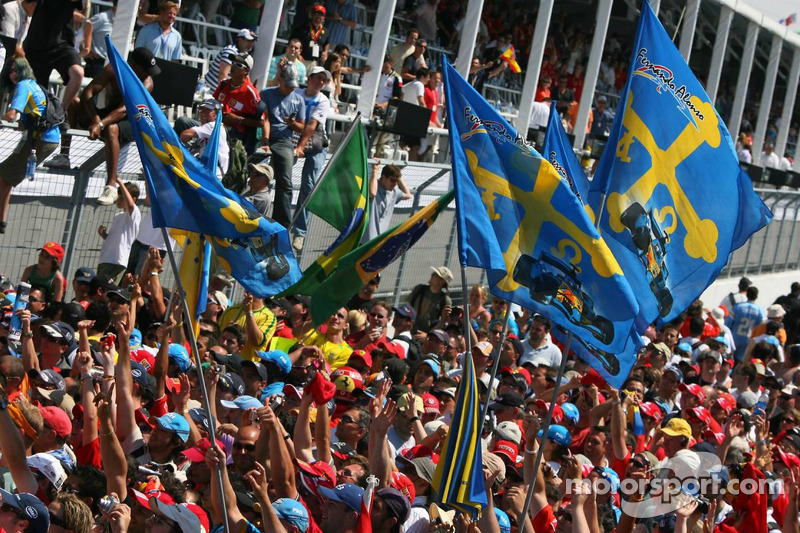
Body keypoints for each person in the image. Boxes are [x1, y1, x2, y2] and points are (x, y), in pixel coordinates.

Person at [47, 47, 160, 207]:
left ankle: (111, 186)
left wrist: (100, 124)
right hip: (107, 113)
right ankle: (63, 156)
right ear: (133, 64)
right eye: (145, 69)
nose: (149, 73)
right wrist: (95, 118)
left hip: (131, 121)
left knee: (111, 128)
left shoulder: (147, 83)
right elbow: (88, 92)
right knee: (75, 103)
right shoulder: (113, 69)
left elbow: (124, 110)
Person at [0, 57, 61, 234]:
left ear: (24, 71)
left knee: (4, 174)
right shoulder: (35, 85)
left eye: (16, 70)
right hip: (44, 138)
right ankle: (1, 221)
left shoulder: (23, 85)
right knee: (7, 178)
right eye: (10, 70)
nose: (13, 74)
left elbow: (11, 115)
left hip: (40, 139)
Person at [259, 61, 306, 230]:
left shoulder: (299, 100)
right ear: (280, 80)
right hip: (266, 138)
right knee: (256, 175)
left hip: (285, 141)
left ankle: (282, 224)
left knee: (285, 181)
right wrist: (265, 141)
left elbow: (302, 127)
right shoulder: (266, 94)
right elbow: (264, 118)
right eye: (288, 85)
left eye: (293, 86)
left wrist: (293, 123)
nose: (291, 89)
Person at [292, 65, 333, 252]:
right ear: (309, 78)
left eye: (323, 80)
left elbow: (312, 125)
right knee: (277, 173)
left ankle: (300, 232)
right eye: (317, 78)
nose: (319, 82)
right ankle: (280, 222)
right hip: (294, 136)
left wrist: (300, 146)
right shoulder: (296, 92)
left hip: (316, 142)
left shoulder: (323, 100)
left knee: (309, 185)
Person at [22, 0, 84, 115]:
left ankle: (61, 113)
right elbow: (26, 5)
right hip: (36, 46)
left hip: (62, 43)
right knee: (36, 105)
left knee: (77, 73)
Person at [214, 53, 261, 154]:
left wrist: (237, 119)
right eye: (233, 63)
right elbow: (214, 103)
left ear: (246, 71)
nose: (233, 66)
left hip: (234, 134)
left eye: (239, 65)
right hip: (214, 125)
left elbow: (261, 122)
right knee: (183, 122)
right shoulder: (224, 84)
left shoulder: (251, 93)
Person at [96, 182, 141, 285]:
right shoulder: (119, 216)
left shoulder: (134, 214)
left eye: (122, 198)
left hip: (116, 261)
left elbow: (130, 205)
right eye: (118, 197)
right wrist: (104, 235)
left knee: (105, 291)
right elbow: (116, 239)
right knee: (98, 289)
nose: (118, 200)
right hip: (106, 259)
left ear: (134, 199)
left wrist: (120, 182)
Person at [177, 98, 230, 177]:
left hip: (214, 175)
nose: (203, 114)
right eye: (202, 110)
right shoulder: (206, 128)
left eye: (208, 110)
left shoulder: (213, 126)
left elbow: (185, 135)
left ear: (215, 114)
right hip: (208, 170)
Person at [362, 164, 411, 242]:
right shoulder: (374, 186)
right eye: (392, 180)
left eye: (396, 181)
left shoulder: (394, 192)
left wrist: (399, 177)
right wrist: (375, 170)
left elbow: (408, 195)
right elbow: (372, 193)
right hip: (366, 241)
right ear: (384, 177)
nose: (395, 184)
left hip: (381, 241)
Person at [204, 28, 256, 93]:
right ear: (239, 40)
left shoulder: (245, 55)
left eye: (253, 41)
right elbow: (223, 75)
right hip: (211, 91)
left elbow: (246, 79)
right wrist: (224, 95)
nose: (251, 43)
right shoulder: (230, 51)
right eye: (248, 40)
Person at [82, 0, 117, 77]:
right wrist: (84, 50)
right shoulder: (102, 17)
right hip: (97, 63)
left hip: (113, 64)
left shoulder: (125, 23)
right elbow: (82, 29)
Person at [291, 3, 329, 69]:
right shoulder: (302, 28)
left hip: (316, 62)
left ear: (324, 17)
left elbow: (327, 43)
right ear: (312, 14)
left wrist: (326, 52)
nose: (318, 16)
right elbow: (292, 41)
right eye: (316, 13)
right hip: (301, 60)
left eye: (321, 14)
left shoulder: (325, 31)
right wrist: (298, 55)